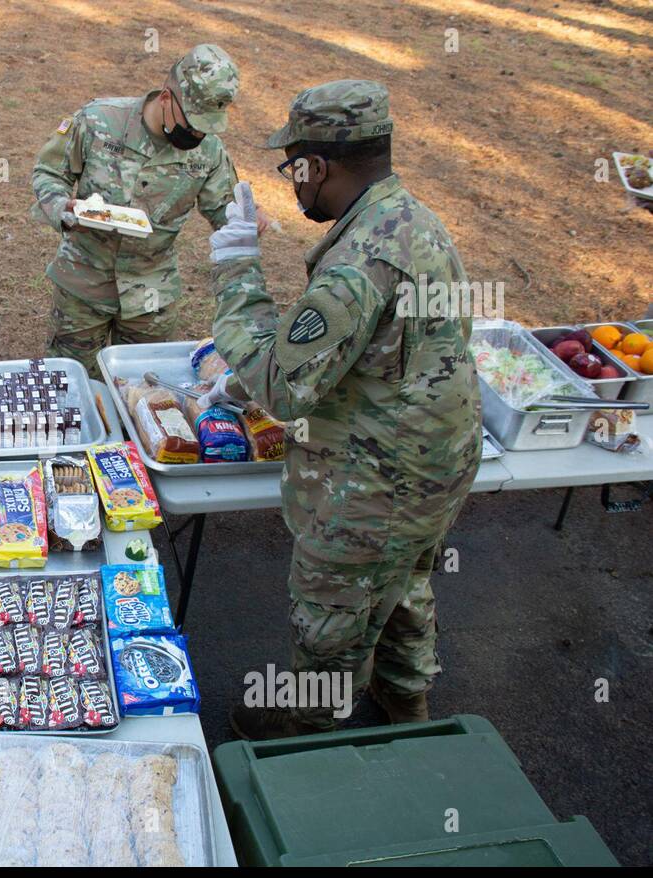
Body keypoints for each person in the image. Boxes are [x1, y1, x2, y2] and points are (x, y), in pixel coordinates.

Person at [206, 80, 481, 739]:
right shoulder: (413, 221)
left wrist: (238, 268)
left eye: (294, 167)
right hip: (435, 468)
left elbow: (285, 388)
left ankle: (312, 728)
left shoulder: (358, 261)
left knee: (330, 620)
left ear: (319, 166)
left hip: (371, 487)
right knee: (404, 592)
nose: (292, 182)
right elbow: (361, 350)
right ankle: (406, 707)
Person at [31, 43, 255, 378]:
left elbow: (222, 210)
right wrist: (64, 207)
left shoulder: (209, 151)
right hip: (83, 284)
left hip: (152, 296)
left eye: (207, 124)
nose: (197, 133)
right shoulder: (98, 120)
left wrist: (245, 221)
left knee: (142, 391)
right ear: (166, 98)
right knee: (72, 387)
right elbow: (50, 173)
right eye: (192, 121)